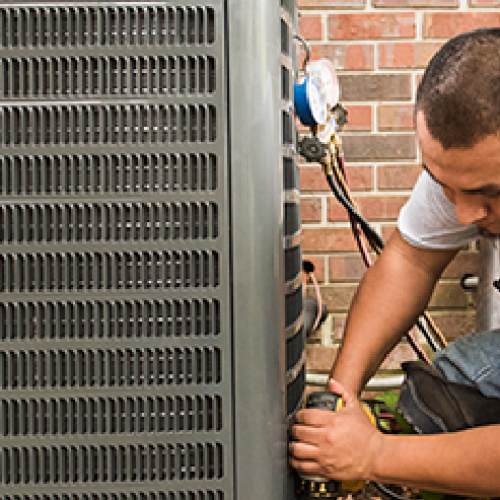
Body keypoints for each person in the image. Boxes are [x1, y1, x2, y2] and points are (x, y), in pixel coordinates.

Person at [289, 28, 500, 497]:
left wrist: (375, 456)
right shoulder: (468, 169)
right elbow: (409, 261)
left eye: (490, 193)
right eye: (445, 184)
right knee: (448, 387)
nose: (464, 214)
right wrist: (341, 399)